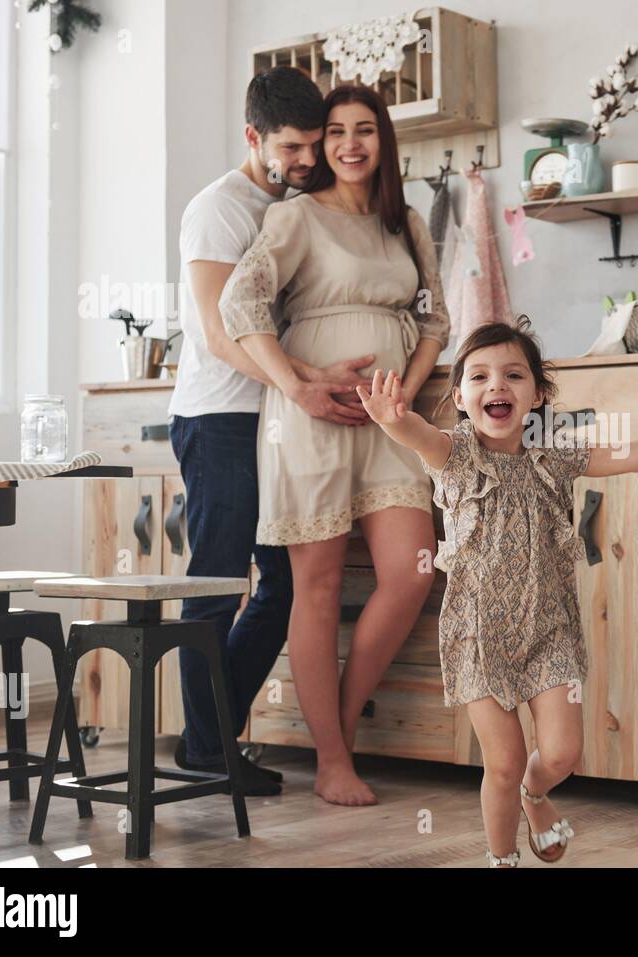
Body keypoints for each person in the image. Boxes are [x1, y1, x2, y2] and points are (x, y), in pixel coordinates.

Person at [354, 318, 638, 866]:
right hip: (477, 635)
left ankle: (535, 795)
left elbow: (630, 453)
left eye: (514, 375)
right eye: (480, 377)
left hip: (548, 628)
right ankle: (503, 859)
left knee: (561, 754)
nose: (497, 386)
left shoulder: (552, 458)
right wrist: (394, 422)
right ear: (462, 397)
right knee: (505, 760)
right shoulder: (455, 455)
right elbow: (418, 434)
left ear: (537, 394)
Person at [219, 85, 451, 806]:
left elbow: (437, 318)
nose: (350, 144)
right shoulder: (295, 216)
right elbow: (239, 303)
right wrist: (295, 383)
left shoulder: (405, 223)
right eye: (337, 132)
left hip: (390, 420)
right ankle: (330, 758)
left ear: (384, 141)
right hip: (311, 417)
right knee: (314, 586)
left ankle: (339, 728)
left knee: (411, 571)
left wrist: (406, 391)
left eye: (365, 131)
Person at [167, 67, 375, 795]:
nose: (307, 160)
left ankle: (210, 733)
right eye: (291, 147)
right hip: (220, 416)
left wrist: (305, 383)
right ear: (253, 136)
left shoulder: (297, 202)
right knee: (219, 582)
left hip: (273, 418)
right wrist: (302, 381)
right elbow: (221, 332)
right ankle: (205, 744)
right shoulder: (219, 209)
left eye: (314, 145)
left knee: (281, 581)